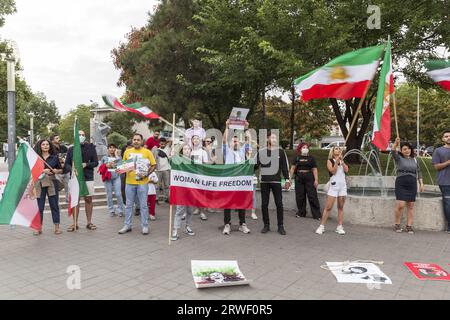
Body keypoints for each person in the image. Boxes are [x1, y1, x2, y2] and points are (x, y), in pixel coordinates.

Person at [118, 133, 156, 235]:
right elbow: (122, 166)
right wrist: (118, 168)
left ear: (142, 141)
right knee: (129, 205)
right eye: (134, 139)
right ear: (132, 141)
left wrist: (147, 174)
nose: (136, 141)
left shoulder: (147, 152)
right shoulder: (127, 152)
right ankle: (127, 225)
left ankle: (145, 226)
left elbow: (154, 165)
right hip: (129, 182)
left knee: (143, 205)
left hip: (142, 182)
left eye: (138, 140)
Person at [255, 132, 291, 235]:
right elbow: (255, 166)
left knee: (279, 203)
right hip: (264, 181)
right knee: (264, 204)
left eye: (276, 138)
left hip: (276, 181)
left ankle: (281, 226)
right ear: (268, 139)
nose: (274, 139)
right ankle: (266, 225)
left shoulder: (280, 152)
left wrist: (287, 179)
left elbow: (284, 167)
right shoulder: (261, 152)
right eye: (272, 137)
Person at [64, 130, 99, 231]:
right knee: (75, 200)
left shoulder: (91, 148)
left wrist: (86, 164)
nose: (81, 136)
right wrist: (72, 169)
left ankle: (89, 222)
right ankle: (75, 223)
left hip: (88, 177)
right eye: (79, 135)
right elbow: (66, 164)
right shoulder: (71, 149)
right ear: (75, 137)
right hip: (75, 178)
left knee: (88, 199)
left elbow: (96, 162)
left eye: (83, 135)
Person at [221, 120, 251, 235]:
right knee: (227, 203)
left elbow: (248, 140)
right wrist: (227, 126)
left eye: (237, 141)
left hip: (240, 181)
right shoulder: (227, 150)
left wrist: (247, 128)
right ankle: (227, 224)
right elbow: (224, 140)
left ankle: (242, 224)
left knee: (241, 202)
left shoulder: (242, 150)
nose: (235, 142)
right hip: (229, 180)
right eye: (233, 141)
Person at [391, 138, 424, 234]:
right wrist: (395, 143)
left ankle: (409, 226)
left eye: (409, 149)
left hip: (412, 183)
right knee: (400, 205)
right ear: (401, 150)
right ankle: (397, 224)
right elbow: (393, 151)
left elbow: (419, 172)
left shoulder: (415, 159)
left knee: (410, 206)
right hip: (401, 182)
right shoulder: (398, 158)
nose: (407, 150)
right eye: (405, 149)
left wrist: (421, 183)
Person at [315, 146, 349, 235]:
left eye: (339, 148)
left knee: (341, 207)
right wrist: (337, 161)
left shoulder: (342, 160)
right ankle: (322, 226)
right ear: (333, 152)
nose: (338, 149)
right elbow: (333, 171)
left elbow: (346, 170)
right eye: (336, 148)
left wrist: (342, 161)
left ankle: (340, 226)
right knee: (328, 207)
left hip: (342, 186)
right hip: (334, 186)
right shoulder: (329, 161)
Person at [33, 139, 63, 235]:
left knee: (54, 205)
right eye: (43, 144)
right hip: (39, 184)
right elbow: (32, 170)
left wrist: (56, 171)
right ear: (40, 146)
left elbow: (61, 169)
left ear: (50, 146)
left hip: (52, 183)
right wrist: (42, 171)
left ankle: (57, 227)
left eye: (47, 144)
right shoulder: (36, 157)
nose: (45, 146)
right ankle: (38, 228)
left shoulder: (54, 157)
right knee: (39, 207)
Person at [290, 143, 321, 220]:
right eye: (303, 147)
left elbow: (314, 169)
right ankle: (301, 212)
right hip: (299, 178)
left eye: (306, 147)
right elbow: (292, 169)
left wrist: (316, 180)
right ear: (300, 149)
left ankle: (317, 215)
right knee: (300, 196)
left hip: (309, 178)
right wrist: (289, 179)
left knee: (312, 196)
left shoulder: (311, 158)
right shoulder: (297, 158)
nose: (305, 149)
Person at [172, 144, 196, 241]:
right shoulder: (178, 161)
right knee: (179, 211)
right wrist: (173, 154)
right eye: (184, 149)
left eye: (188, 149)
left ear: (191, 151)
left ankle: (188, 227)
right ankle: (175, 230)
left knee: (190, 210)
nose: (186, 150)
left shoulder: (194, 162)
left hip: (191, 190)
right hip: (181, 190)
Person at [432, 130, 450, 233]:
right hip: (445, 182)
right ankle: (449, 226)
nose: (448, 138)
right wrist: (448, 162)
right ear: (443, 139)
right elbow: (436, 167)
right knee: (448, 203)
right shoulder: (438, 151)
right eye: (446, 136)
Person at [99, 143, 125, 217]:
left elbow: (121, 166)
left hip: (116, 177)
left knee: (118, 194)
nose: (112, 149)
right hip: (107, 178)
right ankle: (111, 210)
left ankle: (120, 210)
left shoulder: (119, 157)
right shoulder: (104, 158)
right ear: (108, 149)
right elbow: (101, 167)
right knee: (109, 195)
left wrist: (117, 156)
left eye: (114, 148)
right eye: (110, 148)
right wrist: (106, 165)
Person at [190, 134, 210, 221]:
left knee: (201, 194)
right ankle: (196, 209)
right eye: (194, 139)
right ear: (192, 141)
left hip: (200, 175)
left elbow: (205, 164)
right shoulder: (190, 151)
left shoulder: (203, 152)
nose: (195, 140)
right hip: (191, 175)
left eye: (197, 138)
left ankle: (202, 212)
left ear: (200, 141)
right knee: (193, 193)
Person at [50, 134, 69, 203]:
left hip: (66, 170)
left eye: (59, 138)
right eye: (56, 138)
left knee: (68, 187)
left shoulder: (64, 147)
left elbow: (68, 156)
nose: (59, 139)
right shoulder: (50, 149)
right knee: (56, 188)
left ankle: (68, 201)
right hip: (56, 171)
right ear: (52, 140)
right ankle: (56, 203)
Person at [153, 137, 171, 203]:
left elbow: (171, 140)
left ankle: (167, 198)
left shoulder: (168, 149)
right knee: (157, 185)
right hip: (158, 170)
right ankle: (156, 198)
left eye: (163, 144)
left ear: (165, 143)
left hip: (166, 169)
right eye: (161, 144)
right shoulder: (156, 150)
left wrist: (167, 140)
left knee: (167, 185)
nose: (162, 145)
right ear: (159, 143)